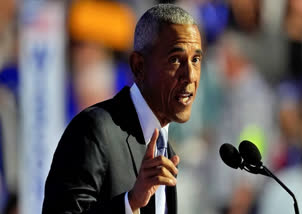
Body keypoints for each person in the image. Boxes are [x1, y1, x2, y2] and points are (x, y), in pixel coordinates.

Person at [42, 4, 202, 214]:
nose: (190, 75)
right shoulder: (94, 129)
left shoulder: (165, 149)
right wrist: (130, 202)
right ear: (139, 66)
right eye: (174, 60)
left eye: (196, 59)